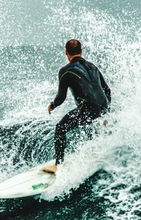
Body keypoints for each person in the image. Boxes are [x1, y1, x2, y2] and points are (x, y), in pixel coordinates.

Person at [42, 39, 111, 173]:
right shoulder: (93, 67)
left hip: (88, 109)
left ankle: (58, 165)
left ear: (66, 53)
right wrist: (106, 112)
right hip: (103, 107)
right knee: (89, 122)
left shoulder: (66, 70)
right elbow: (107, 90)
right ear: (81, 51)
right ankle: (97, 149)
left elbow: (61, 97)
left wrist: (52, 105)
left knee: (60, 128)